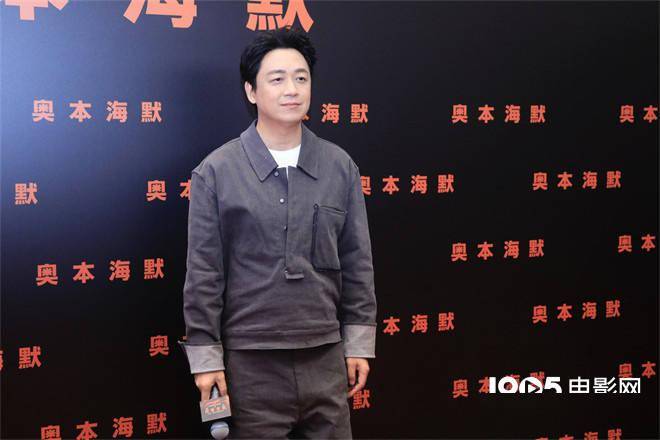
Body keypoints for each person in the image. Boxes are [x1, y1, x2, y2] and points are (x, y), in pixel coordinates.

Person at [179, 26, 377, 439]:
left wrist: (358, 343)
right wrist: (206, 359)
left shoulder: (340, 167)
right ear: (251, 91)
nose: (292, 89)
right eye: (277, 78)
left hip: (326, 357)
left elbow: (357, 262)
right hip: (251, 364)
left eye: (301, 78)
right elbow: (204, 273)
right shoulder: (216, 172)